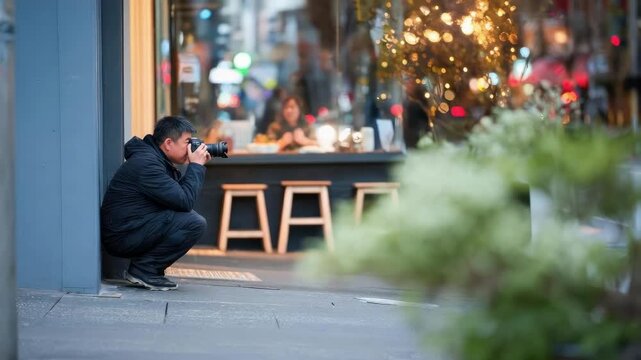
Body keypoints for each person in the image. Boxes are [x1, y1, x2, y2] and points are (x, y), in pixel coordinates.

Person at [101, 116, 211, 291]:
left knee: (190, 219)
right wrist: (196, 166)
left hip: (131, 229)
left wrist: (194, 166)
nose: (192, 148)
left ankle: (148, 269)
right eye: (187, 142)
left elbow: (179, 198)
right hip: (122, 236)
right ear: (168, 143)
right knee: (193, 223)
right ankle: (144, 270)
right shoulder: (148, 164)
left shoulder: (156, 160)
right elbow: (185, 201)